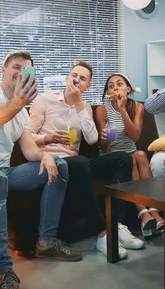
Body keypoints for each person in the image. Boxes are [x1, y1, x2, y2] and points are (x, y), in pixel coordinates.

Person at [0, 50, 82, 289]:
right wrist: (17, 102)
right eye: (16, 67)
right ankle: (3, 271)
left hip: (3, 174)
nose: (20, 72)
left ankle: (47, 241)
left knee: (61, 165)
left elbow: (31, 151)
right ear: (3, 70)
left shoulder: (21, 113)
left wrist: (47, 156)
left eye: (26, 69)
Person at [29, 61, 144, 260]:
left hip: (76, 163)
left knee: (124, 158)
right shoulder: (45, 100)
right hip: (52, 160)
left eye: (83, 79)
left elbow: (91, 139)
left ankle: (116, 225)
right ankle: (103, 235)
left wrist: (80, 106)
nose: (77, 80)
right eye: (74, 75)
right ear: (67, 78)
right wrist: (48, 138)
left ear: (87, 86)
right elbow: (27, 135)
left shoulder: (85, 108)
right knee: (80, 161)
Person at [95, 73, 165, 237]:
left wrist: (122, 110)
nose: (115, 88)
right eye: (111, 86)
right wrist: (105, 139)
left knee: (140, 154)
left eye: (119, 84)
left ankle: (153, 210)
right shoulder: (102, 109)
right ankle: (144, 214)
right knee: (132, 158)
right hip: (112, 155)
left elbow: (135, 137)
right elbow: (104, 147)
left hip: (131, 151)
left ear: (128, 89)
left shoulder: (137, 107)